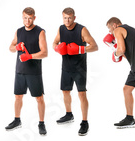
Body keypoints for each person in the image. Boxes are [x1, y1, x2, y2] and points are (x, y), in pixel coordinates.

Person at [53, 7, 98, 136]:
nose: (67, 20)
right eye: (65, 18)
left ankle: (85, 122)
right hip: (66, 67)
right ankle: (69, 114)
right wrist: (57, 48)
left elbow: (95, 46)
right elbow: (54, 42)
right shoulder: (61, 29)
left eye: (69, 18)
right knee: (65, 91)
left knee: (82, 94)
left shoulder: (82, 29)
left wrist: (79, 50)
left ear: (74, 18)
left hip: (79, 69)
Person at [5, 7, 48, 135]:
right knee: (18, 96)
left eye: (30, 18)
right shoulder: (18, 31)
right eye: (25, 18)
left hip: (34, 71)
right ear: (22, 17)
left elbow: (44, 52)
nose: (27, 20)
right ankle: (17, 120)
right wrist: (17, 46)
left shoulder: (40, 32)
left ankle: (41, 123)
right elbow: (11, 48)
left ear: (34, 18)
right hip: (20, 70)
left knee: (39, 98)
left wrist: (29, 56)